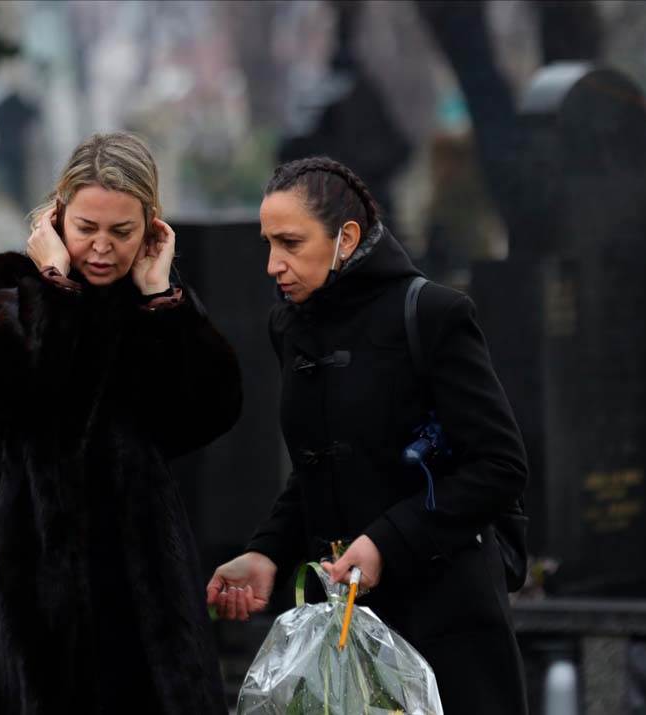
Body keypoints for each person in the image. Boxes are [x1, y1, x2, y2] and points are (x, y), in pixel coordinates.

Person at [0, 132, 241, 714]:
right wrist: (58, 290)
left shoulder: (153, 310)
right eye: (87, 227)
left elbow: (208, 412)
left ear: (151, 230)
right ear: (56, 216)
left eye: (122, 232)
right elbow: (36, 397)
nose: (102, 248)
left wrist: (164, 300)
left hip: (134, 601)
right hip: (11, 589)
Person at [207, 156, 528, 714]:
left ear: (346, 239)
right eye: (268, 243)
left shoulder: (432, 315)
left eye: (290, 242)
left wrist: (386, 541)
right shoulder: (290, 324)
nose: (272, 264)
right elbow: (318, 468)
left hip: (444, 626)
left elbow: (498, 467)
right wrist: (266, 552)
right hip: (343, 633)